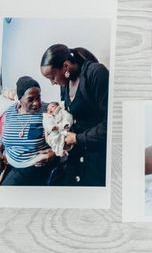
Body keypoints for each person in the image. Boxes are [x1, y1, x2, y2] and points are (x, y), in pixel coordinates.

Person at [39, 45, 109, 186]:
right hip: (76, 150)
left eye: (52, 77)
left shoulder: (96, 74)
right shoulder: (65, 84)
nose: (52, 83)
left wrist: (76, 138)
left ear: (65, 66)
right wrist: (54, 131)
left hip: (97, 151)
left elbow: (111, 125)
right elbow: (67, 116)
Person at [0, 77, 54, 186]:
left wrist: (53, 153)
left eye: (38, 97)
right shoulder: (10, 111)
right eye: (31, 99)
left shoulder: (46, 111)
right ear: (20, 99)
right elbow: (4, 138)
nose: (36, 103)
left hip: (32, 167)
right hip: (9, 165)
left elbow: (61, 139)